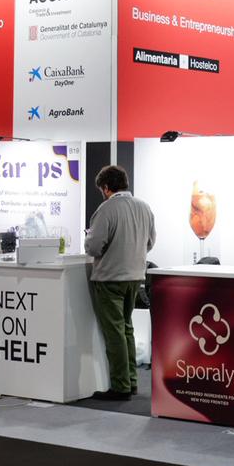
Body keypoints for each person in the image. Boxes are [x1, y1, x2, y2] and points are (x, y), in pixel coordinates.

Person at [84, 165, 155, 401]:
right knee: (127, 328)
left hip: (110, 278)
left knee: (114, 332)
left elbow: (93, 247)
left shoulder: (106, 209)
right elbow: (150, 242)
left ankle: (120, 386)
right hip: (135, 277)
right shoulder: (144, 207)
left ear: (106, 188)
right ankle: (131, 381)